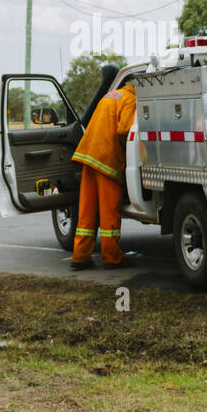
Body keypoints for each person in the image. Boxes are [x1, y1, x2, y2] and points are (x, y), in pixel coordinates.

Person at [69, 73, 137, 271]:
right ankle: (112, 257)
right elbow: (125, 130)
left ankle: (80, 256)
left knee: (87, 211)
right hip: (107, 160)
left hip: (88, 156)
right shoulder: (131, 99)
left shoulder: (111, 95)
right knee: (109, 211)